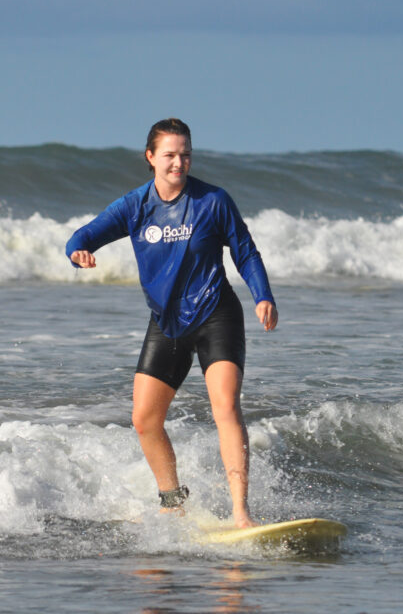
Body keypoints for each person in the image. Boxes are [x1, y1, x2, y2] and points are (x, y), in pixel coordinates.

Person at [65, 118, 277, 528]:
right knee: (144, 419)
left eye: (185, 154)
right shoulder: (135, 205)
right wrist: (78, 253)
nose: (179, 163)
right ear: (151, 158)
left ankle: (240, 513)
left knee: (225, 408)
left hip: (217, 314)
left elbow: (246, 252)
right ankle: (172, 501)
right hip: (167, 321)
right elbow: (82, 236)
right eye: (170, 155)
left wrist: (262, 295)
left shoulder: (213, 201)